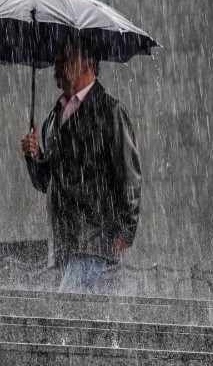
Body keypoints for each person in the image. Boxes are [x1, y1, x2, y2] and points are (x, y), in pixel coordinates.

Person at [20, 37, 141, 293]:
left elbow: (129, 175)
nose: (59, 67)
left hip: (95, 239)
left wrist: (125, 232)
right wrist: (34, 156)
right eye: (57, 60)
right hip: (64, 242)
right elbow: (46, 182)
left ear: (88, 62)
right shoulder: (53, 119)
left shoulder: (110, 111)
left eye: (67, 59)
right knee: (76, 321)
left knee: (65, 314)